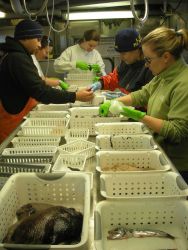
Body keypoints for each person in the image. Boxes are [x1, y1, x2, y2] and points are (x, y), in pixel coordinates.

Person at [99, 27, 188, 182]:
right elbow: (143, 94)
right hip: (161, 152)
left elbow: (177, 131)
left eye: (148, 60)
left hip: (178, 167)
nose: (146, 65)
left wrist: (139, 115)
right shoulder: (163, 75)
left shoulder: (183, 83)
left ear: (166, 56)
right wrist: (115, 102)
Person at [0, 19, 93, 143]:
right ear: (26, 37)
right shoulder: (17, 58)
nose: (39, 45)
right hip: (11, 120)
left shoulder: (17, 55)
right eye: (37, 40)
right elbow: (41, 91)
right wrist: (75, 96)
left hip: (15, 116)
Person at [90, 28, 153, 98]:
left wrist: (128, 98)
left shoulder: (150, 68)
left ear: (137, 49)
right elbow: (115, 78)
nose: (121, 57)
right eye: (120, 53)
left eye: (124, 53)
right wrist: (101, 83)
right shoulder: (126, 63)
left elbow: (151, 97)